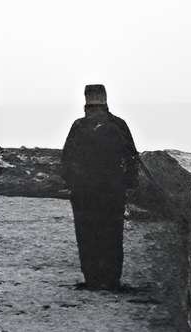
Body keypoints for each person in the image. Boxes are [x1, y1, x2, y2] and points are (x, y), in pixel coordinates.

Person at [60, 81, 143, 292]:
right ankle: (111, 280)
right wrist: (128, 184)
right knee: (112, 235)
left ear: (86, 103)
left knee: (87, 235)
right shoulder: (118, 125)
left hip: (84, 192)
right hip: (112, 191)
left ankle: (93, 279)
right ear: (105, 101)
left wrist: (71, 183)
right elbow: (132, 158)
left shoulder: (79, 126)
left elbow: (67, 160)